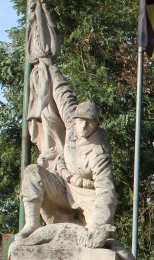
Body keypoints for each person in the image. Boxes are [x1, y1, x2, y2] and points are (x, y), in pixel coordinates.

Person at [17, 59, 118, 243]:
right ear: (76, 119)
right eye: (81, 121)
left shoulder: (98, 151)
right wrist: (50, 67)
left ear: (96, 126)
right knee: (32, 172)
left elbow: (106, 190)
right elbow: (63, 94)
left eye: (90, 123)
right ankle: (31, 223)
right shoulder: (73, 125)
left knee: (98, 241)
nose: (84, 126)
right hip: (63, 186)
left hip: (88, 195)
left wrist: (98, 223)